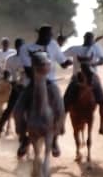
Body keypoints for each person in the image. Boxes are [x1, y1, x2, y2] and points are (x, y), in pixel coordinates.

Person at [17, 26, 72, 158]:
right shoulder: (27, 48)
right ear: (40, 35)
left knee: (60, 108)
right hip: (33, 83)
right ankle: (24, 138)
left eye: (51, 35)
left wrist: (69, 62)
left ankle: (54, 140)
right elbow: (29, 70)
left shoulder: (53, 45)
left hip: (50, 83)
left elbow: (63, 63)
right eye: (47, 35)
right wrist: (40, 79)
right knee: (18, 109)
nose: (50, 38)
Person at [62, 32, 103, 138]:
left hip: (92, 76)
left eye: (91, 38)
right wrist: (67, 62)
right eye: (87, 38)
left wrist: (95, 63)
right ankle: (62, 124)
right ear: (83, 39)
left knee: (102, 101)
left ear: (93, 40)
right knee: (66, 100)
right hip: (77, 77)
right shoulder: (75, 49)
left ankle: (102, 127)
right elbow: (62, 55)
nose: (89, 40)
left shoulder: (96, 48)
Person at [0, 38, 26, 144]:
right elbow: (8, 73)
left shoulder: (28, 59)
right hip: (16, 87)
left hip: (27, 87)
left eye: (22, 46)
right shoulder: (10, 59)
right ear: (16, 47)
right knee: (8, 109)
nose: (20, 48)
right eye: (19, 46)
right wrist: (9, 79)